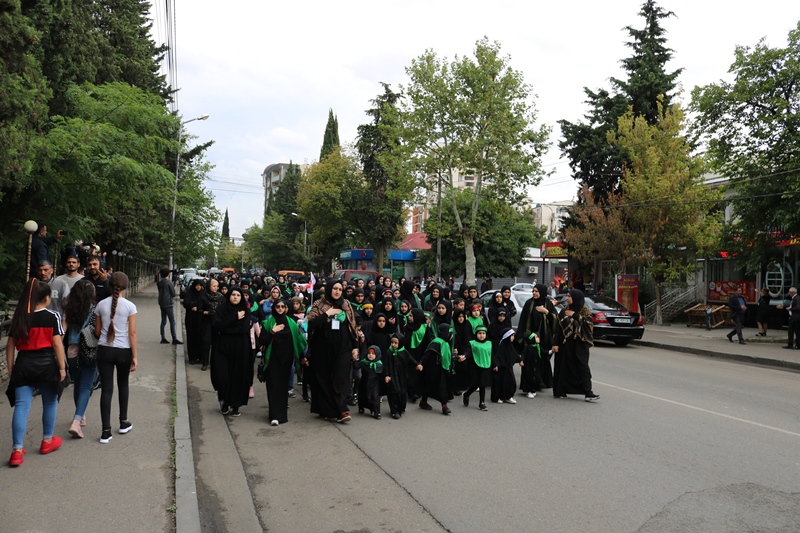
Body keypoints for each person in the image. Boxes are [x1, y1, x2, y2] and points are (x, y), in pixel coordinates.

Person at [5, 280, 66, 466]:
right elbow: (57, 344)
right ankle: (47, 441)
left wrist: (10, 368)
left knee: (22, 406)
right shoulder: (52, 316)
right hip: (47, 365)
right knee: (49, 402)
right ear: (47, 298)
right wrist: (62, 367)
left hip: (23, 364)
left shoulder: (19, 316)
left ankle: (16, 450)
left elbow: (10, 345)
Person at [303, 280, 360, 423]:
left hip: (343, 348)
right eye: (334, 288)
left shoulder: (346, 305)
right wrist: (327, 313)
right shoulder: (319, 304)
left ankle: (342, 411)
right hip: (322, 349)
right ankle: (325, 409)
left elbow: (352, 327)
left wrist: (355, 346)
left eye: (340, 289)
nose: (337, 291)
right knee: (323, 380)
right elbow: (310, 324)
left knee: (340, 379)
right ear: (329, 289)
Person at [94, 272, 138, 443]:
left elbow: (97, 332)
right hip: (123, 351)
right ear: (125, 287)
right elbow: (132, 333)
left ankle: (106, 431)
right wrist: (135, 356)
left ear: (109, 285)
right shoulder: (130, 306)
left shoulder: (100, 305)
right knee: (123, 385)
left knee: (106, 390)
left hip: (104, 350)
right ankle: (123, 422)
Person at [259, 299, 307, 425]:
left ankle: (282, 415)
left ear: (286, 308)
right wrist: (273, 331)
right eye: (277, 306)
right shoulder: (268, 322)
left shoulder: (292, 323)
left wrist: (303, 357)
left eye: (282, 306)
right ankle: (274, 415)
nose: (280, 309)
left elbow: (299, 342)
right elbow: (262, 341)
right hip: (272, 360)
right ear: (273, 308)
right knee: (273, 386)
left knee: (282, 387)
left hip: (286, 361)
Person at [62, 279, 98, 438]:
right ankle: (77, 422)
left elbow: (62, 330)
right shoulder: (95, 309)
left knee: (77, 383)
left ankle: (81, 415)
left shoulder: (69, 309)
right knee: (86, 386)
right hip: (89, 349)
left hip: (71, 349)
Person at [212, 287, 253, 416]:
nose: (235, 297)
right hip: (223, 346)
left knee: (238, 376)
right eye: (233, 294)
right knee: (222, 375)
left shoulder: (246, 311)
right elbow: (217, 325)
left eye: (238, 295)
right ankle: (224, 402)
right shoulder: (221, 309)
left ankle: (236, 405)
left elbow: (242, 329)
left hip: (240, 347)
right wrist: (234, 317)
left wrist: (226, 328)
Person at [552, 289, 599, 401]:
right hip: (565, 344)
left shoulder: (584, 311)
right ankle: (561, 390)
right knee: (563, 367)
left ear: (576, 298)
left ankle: (588, 392)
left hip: (580, 344)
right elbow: (558, 329)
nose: (567, 298)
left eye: (569, 296)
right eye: (567, 296)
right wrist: (555, 344)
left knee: (582, 366)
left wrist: (575, 315)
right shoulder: (563, 311)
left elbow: (589, 325)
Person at [515, 283, 557, 389]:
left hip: (545, 336)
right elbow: (523, 321)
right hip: (531, 337)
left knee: (543, 358)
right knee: (531, 360)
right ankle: (531, 383)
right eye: (533, 291)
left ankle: (543, 381)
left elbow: (555, 318)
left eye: (536, 291)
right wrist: (523, 337)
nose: (534, 293)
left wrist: (546, 312)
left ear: (542, 292)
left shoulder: (547, 303)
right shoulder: (529, 304)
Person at [418, 323, 458, 415]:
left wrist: (455, 358)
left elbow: (446, 356)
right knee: (432, 386)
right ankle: (427, 402)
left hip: (442, 370)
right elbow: (427, 355)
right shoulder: (436, 342)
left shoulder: (445, 343)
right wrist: (421, 363)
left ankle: (442, 405)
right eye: (450, 334)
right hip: (433, 370)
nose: (451, 336)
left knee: (441, 387)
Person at [462, 325, 491, 411]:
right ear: (476, 334)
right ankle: (466, 394)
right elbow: (468, 352)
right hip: (475, 367)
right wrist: (464, 356)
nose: (482, 335)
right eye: (479, 333)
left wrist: (495, 364)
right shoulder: (472, 343)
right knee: (475, 385)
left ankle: (482, 403)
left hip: (485, 366)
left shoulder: (489, 343)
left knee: (482, 385)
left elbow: (491, 355)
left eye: (483, 333)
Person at [491, 328, 519, 404]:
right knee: (501, 383)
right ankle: (500, 397)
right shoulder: (501, 346)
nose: (513, 337)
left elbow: (514, 355)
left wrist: (520, 360)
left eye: (514, 335)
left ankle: (508, 396)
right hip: (501, 369)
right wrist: (496, 365)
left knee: (511, 382)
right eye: (511, 336)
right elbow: (497, 357)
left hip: (509, 368)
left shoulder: (510, 346)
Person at [184, 278, 208, 364]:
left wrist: (196, 307)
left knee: (201, 337)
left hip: (201, 319)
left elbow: (205, 304)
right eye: (197, 285)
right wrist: (193, 305)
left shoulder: (203, 293)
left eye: (200, 286)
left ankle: (200, 357)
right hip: (191, 319)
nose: (198, 287)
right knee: (191, 337)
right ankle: (192, 357)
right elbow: (186, 303)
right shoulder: (189, 293)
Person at [356, 345, 384, 419]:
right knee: (362, 396)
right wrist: (355, 359)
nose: (370, 355)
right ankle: (361, 407)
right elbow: (356, 366)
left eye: (373, 354)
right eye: (369, 353)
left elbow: (383, 375)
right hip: (364, 383)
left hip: (375, 384)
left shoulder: (379, 364)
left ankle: (376, 412)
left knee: (375, 397)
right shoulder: (364, 362)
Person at [157, 268, 182, 345]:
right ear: (168, 274)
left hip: (161, 303)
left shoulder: (160, 283)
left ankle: (163, 337)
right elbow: (173, 294)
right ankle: (174, 338)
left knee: (163, 321)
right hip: (168, 303)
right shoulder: (169, 283)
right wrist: (174, 289)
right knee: (172, 321)